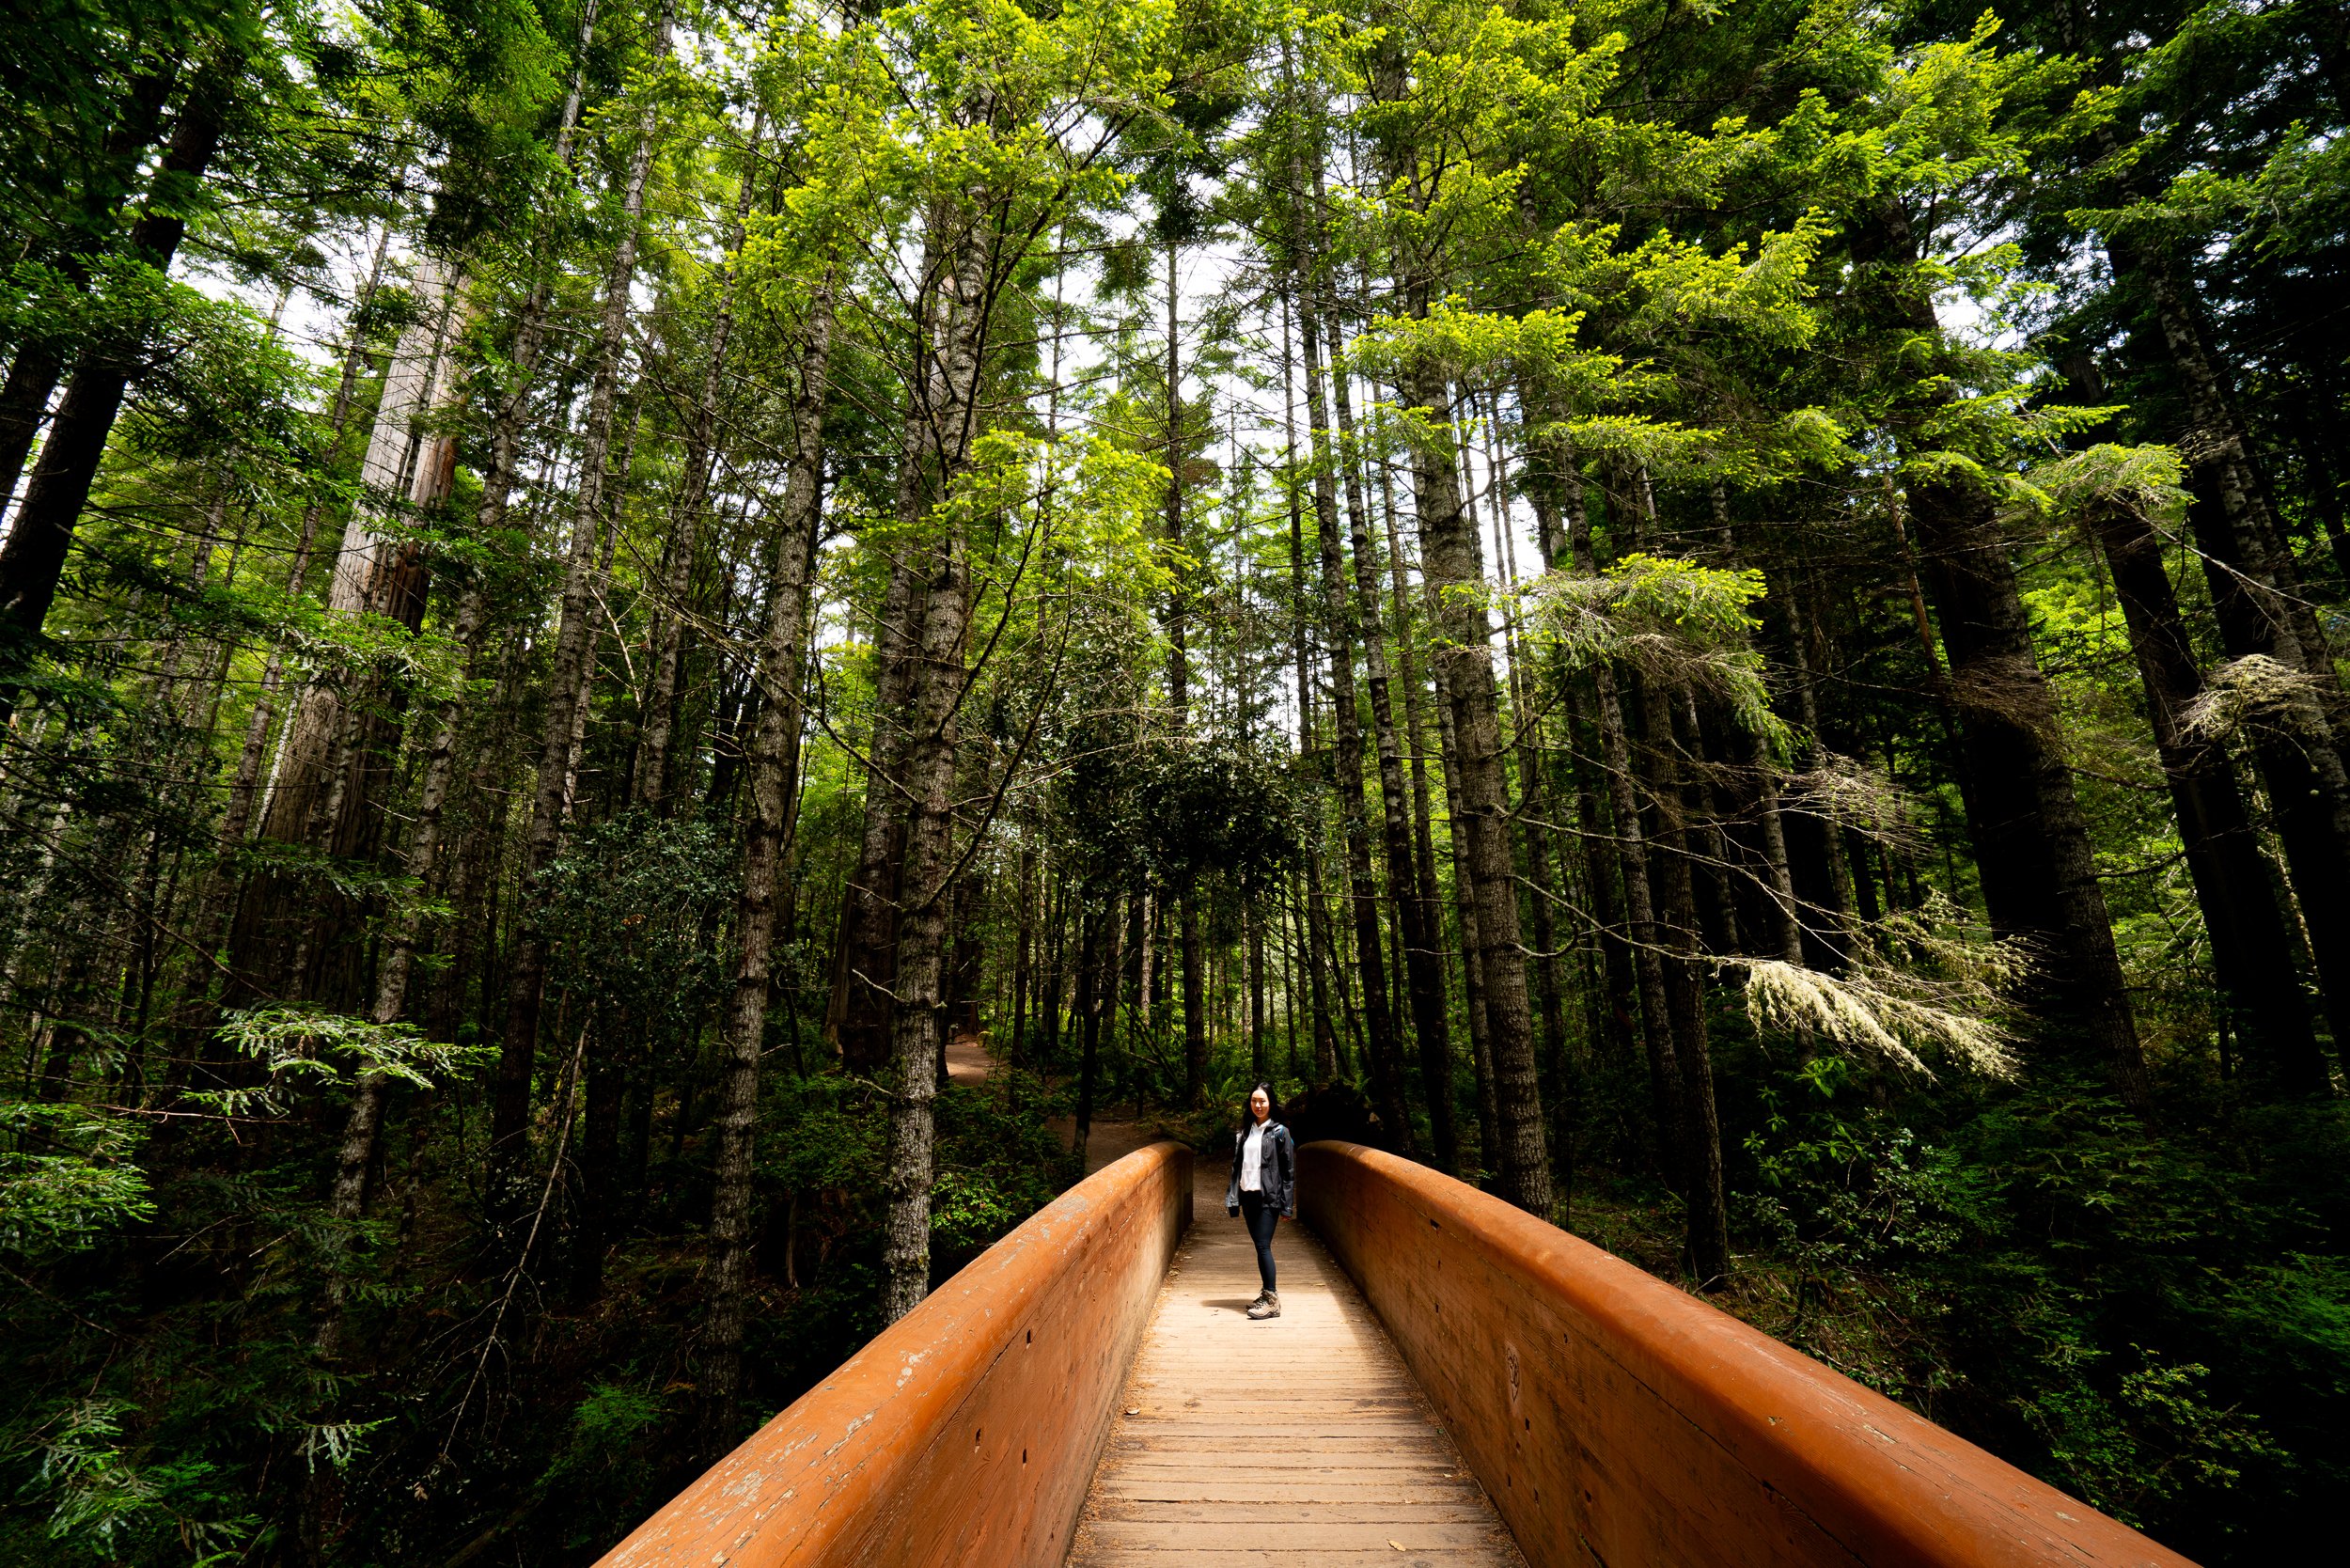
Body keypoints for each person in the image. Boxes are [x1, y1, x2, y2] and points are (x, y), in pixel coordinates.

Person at [1225, 1083, 1295, 1320]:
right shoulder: (1245, 1132)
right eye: (1254, 1100)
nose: (1258, 1105)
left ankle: (1272, 1299)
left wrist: (1287, 1205)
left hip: (1269, 1197)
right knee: (1259, 1245)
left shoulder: (1279, 1132)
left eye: (1262, 1101)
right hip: (1249, 1196)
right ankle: (1266, 1294)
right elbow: (1237, 1167)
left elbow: (1288, 1172)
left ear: (1271, 1103)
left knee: (1264, 1245)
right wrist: (1234, 1197)